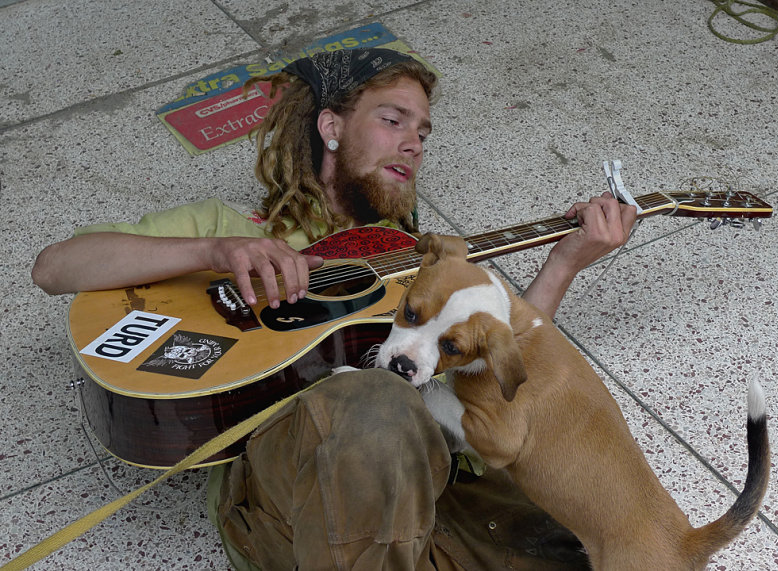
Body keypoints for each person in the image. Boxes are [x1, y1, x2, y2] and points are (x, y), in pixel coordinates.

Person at [32, 48, 637, 570]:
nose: (413, 143)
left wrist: (564, 263)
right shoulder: (234, 230)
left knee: (609, 526)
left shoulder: (424, 274)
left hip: (442, 507)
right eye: (394, 120)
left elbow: (500, 390)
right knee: (377, 400)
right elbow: (57, 267)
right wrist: (217, 249)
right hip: (292, 503)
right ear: (331, 126)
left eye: (423, 133)